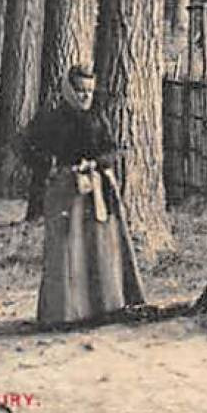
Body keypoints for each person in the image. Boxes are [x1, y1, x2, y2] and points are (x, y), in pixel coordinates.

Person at [22, 65, 145, 325]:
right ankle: (65, 313)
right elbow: (26, 147)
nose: (84, 97)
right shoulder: (50, 119)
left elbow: (112, 149)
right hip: (66, 192)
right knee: (67, 251)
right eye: (79, 90)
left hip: (96, 191)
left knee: (101, 248)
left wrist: (98, 162)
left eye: (89, 91)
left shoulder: (98, 117)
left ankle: (104, 308)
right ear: (68, 90)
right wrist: (51, 164)